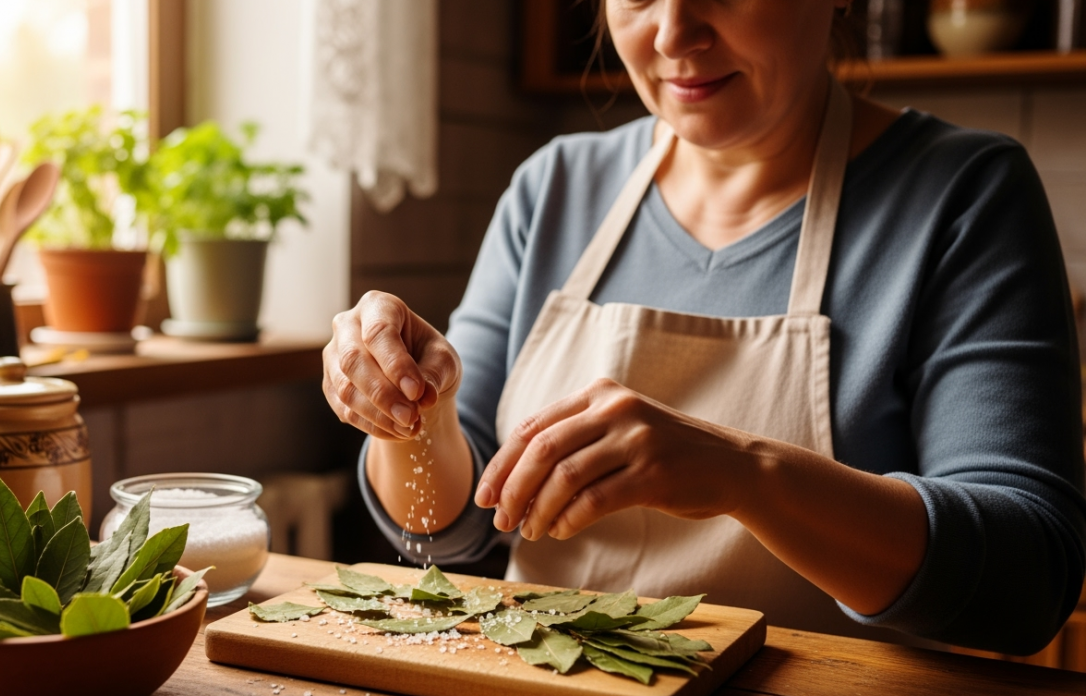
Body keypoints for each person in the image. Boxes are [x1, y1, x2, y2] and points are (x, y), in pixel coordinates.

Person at [321, 0, 1086, 654]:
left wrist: (744, 474)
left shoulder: (965, 195)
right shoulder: (554, 188)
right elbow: (450, 533)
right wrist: (409, 413)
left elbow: (1027, 584)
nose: (673, 34)